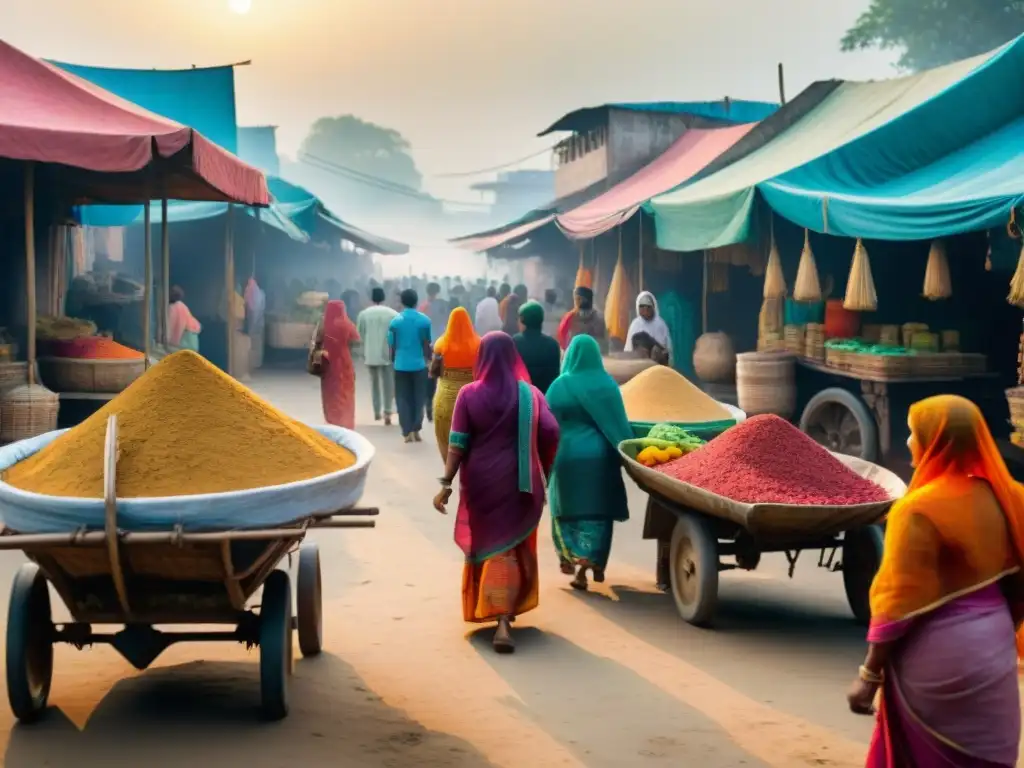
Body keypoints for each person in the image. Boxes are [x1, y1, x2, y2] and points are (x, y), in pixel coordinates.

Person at [847, 395, 1024, 768]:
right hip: (994, 653)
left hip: (937, 658)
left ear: (936, 440)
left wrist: (868, 676)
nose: (910, 442)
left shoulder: (918, 508)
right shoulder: (1011, 499)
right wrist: (998, 629)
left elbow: (896, 602)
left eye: (914, 433)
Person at [433, 333, 559, 653]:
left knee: (492, 546)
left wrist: (445, 484)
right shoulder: (529, 394)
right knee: (510, 547)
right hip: (520, 482)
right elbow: (551, 430)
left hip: (481, 484)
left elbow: (457, 444)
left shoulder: (468, 394)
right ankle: (505, 613)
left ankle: (500, 617)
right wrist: (543, 466)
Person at [546, 335, 633, 590]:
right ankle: (592, 560)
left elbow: (546, 424)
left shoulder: (559, 386)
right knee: (599, 510)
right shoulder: (606, 385)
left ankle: (574, 559)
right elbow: (619, 424)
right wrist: (630, 451)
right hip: (599, 458)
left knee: (566, 508)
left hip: (566, 456)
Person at [429, 307, 480, 460]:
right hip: (473, 397)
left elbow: (434, 372)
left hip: (446, 398)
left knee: (445, 436)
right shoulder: (479, 344)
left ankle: (448, 474)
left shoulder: (441, 344)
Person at [388, 288, 432, 443]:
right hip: (419, 365)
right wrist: (429, 360)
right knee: (419, 398)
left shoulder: (395, 322)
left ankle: (406, 431)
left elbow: (392, 346)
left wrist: (393, 360)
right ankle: (416, 429)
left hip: (400, 365)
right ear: (416, 301)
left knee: (402, 398)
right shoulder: (425, 321)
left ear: (402, 302)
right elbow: (427, 344)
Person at [357, 287, 399, 425]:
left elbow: (360, 334)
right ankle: (387, 411)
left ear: (371, 298)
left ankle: (376, 412)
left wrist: (367, 344)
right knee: (388, 383)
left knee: (374, 383)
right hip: (387, 353)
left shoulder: (363, 314)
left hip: (370, 353)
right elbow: (396, 334)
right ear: (384, 297)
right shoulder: (393, 314)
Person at [316, 299, 360, 429]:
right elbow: (356, 339)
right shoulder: (345, 323)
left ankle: (332, 420)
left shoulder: (323, 324)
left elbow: (316, 340)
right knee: (345, 390)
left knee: (330, 392)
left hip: (327, 361)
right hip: (343, 361)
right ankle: (345, 421)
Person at [513, 300, 561, 394]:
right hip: (545, 398)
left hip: (521, 399)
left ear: (522, 319)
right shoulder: (552, 345)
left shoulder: (513, 343)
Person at [419, 282, 449, 423]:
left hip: (428, 346)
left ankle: (429, 409)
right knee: (441, 376)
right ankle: (438, 408)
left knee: (430, 376)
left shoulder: (423, 307)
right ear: (437, 291)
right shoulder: (442, 306)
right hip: (441, 345)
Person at [624, 291, 673, 366]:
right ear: (638, 307)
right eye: (642, 306)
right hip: (638, 366)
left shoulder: (661, 325)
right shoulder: (635, 324)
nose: (645, 309)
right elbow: (629, 348)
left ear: (653, 307)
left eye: (648, 306)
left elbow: (667, 351)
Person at [557, 285, 608, 353]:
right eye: (576, 299)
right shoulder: (570, 316)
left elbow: (602, 339)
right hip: (577, 352)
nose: (576, 301)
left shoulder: (598, 318)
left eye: (578, 299)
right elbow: (561, 335)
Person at [167, 285, 201, 351]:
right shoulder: (181, 305)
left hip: (186, 338)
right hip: (192, 338)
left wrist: (170, 341)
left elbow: (174, 326)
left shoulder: (174, 307)